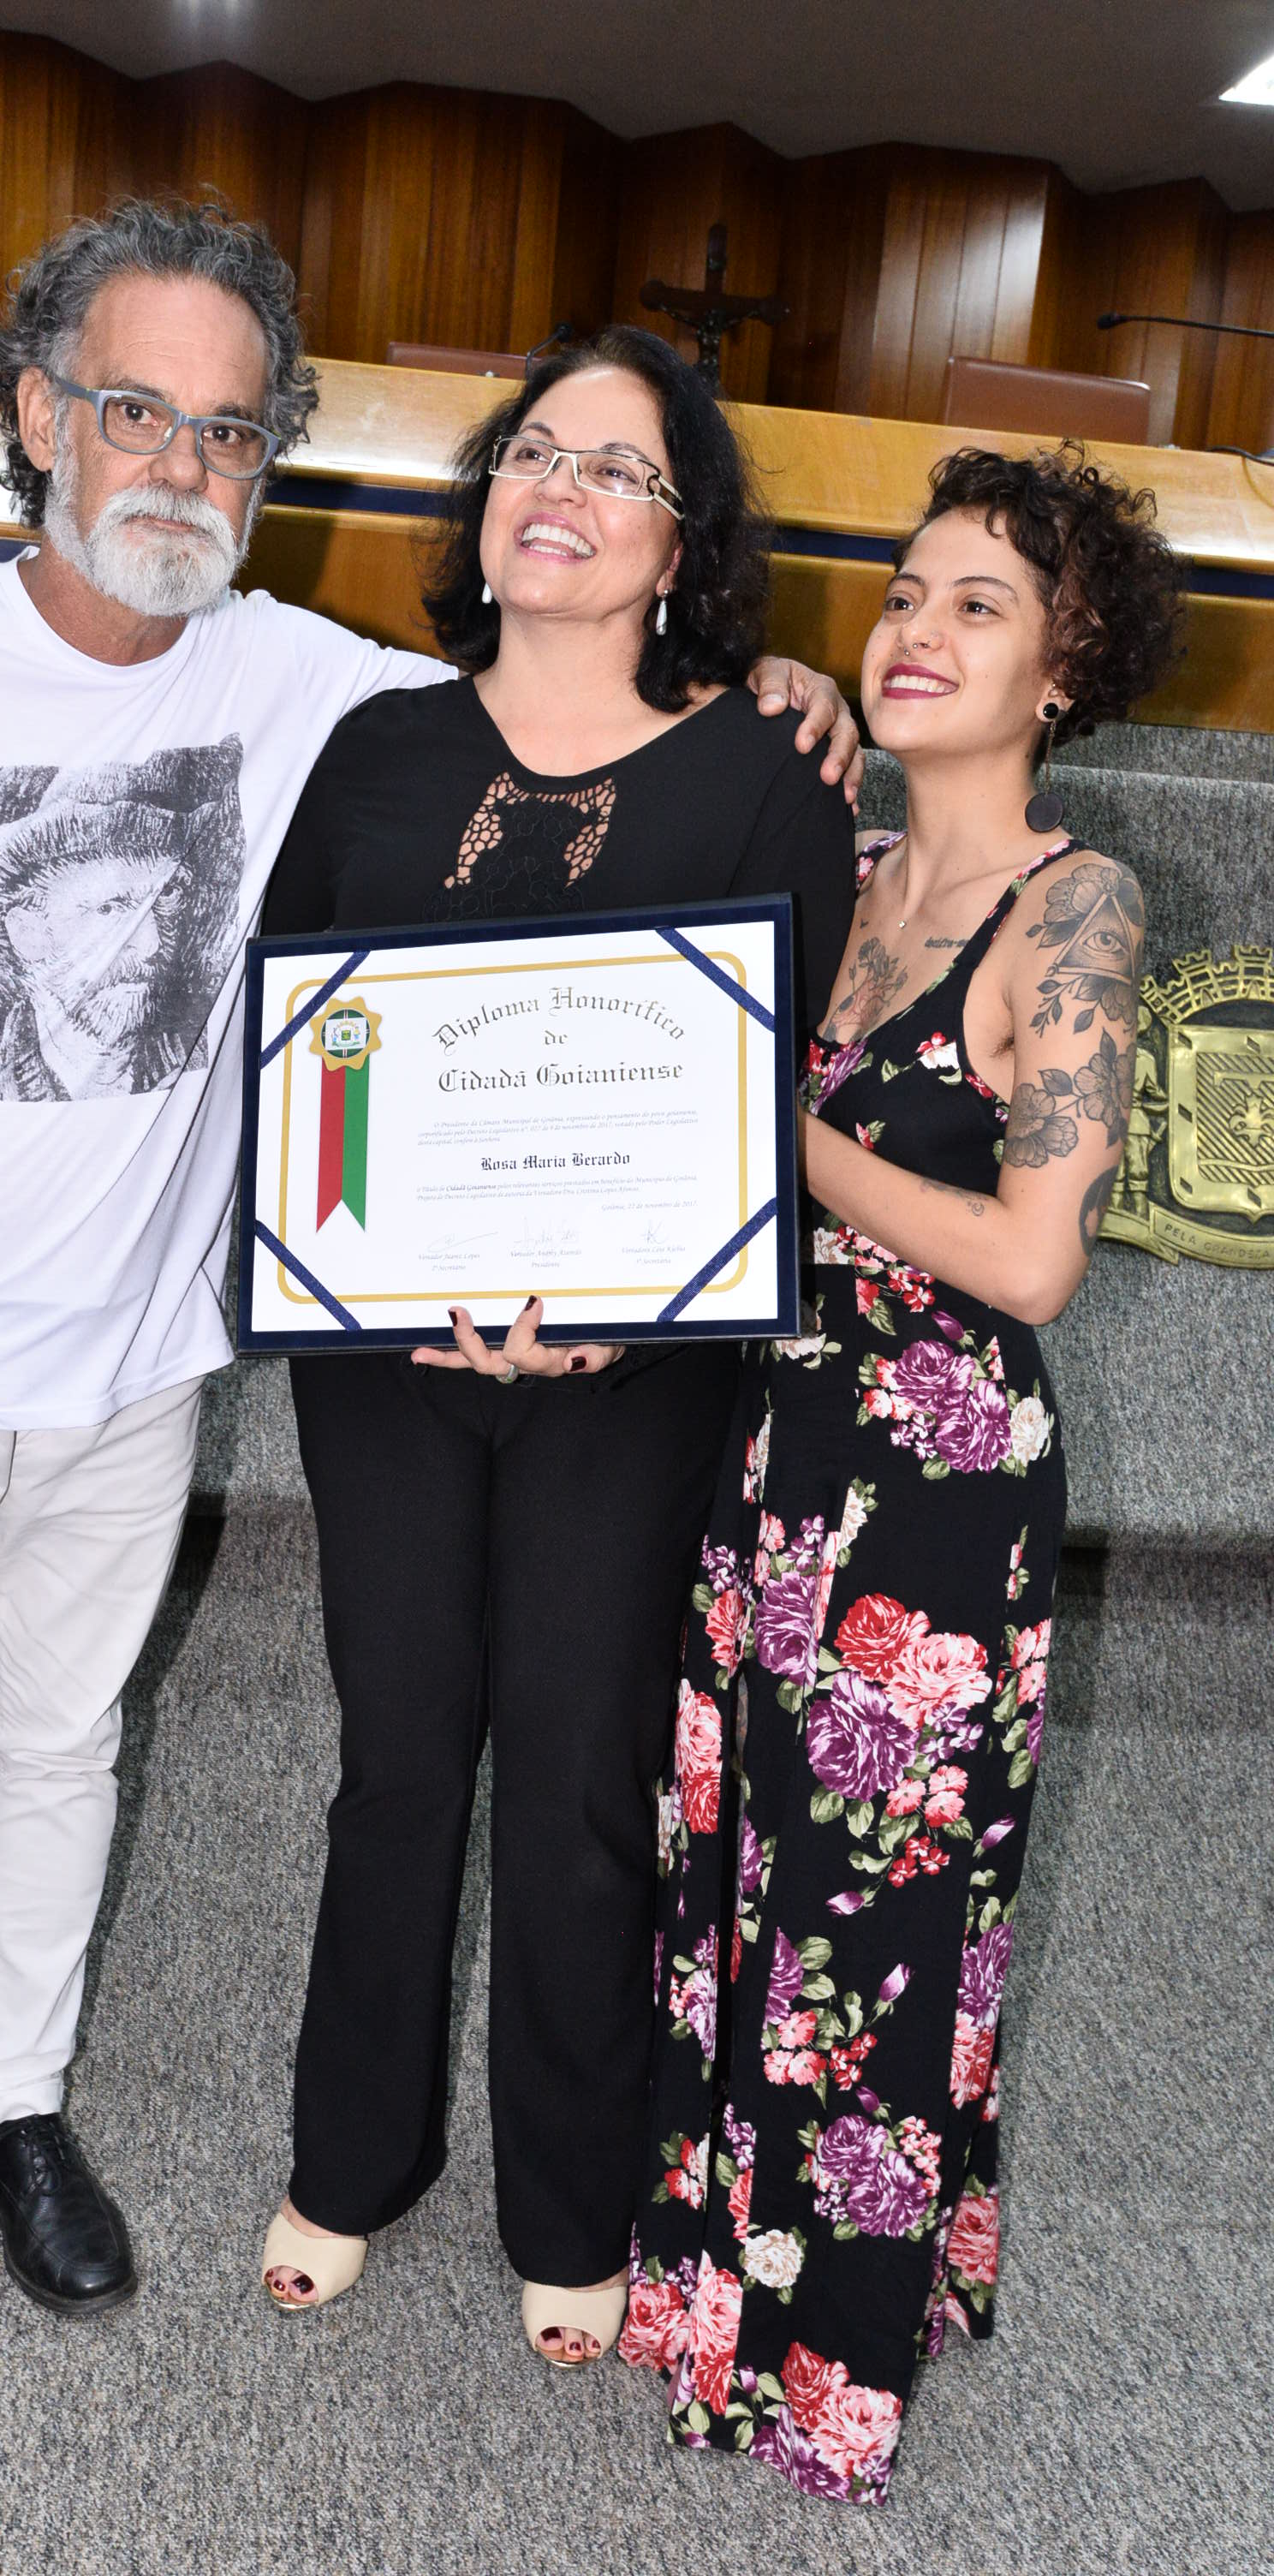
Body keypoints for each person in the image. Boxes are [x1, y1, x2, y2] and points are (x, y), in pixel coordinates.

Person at [0, 196, 861, 2366]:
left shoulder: (314, 686)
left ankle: (13, 2105)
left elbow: (568, 713)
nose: (180, 466)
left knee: (66, 1752)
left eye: (229, 433)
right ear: (37, 414)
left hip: (139, 1355)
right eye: (135, 412)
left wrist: (784, 677)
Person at [253, 326, 857, 2367]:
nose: (559, 490)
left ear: (681, 546)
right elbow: (290, 1031)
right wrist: (355, 1257)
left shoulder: (765, 768)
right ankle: (350, 2155)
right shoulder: (376, 747)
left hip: (640, 1370)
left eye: (616, 468)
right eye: (531, 453)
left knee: (583, 1773)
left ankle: (567, 2199)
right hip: (384, 1356)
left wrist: (624, 1303)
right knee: (395, 1747)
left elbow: (768, 1088)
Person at [622, 444, 1183, 2500]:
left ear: (1064, 666)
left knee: (874, 1922)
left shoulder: (1077, 903)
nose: (917, 631)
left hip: (931, 1491)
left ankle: (831, 2358)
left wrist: (777, 1135)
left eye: (979, 604)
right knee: (746, 1878)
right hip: (771, 1447)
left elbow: (1030, 1261)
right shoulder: (843, 865)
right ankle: (718, 2284)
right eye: (902, 594)